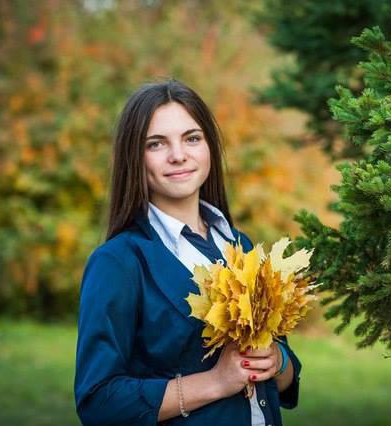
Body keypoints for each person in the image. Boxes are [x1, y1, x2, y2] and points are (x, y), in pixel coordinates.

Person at [74, 79, 302, 426]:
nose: (178, 154)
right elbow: (98, 402)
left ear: (209, 145)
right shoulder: (118, 262)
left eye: (192, 138)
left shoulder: (238, 244)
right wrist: (215, 381)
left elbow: (286, 380)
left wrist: (277, 361)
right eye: (156, 143)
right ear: (135, 158)